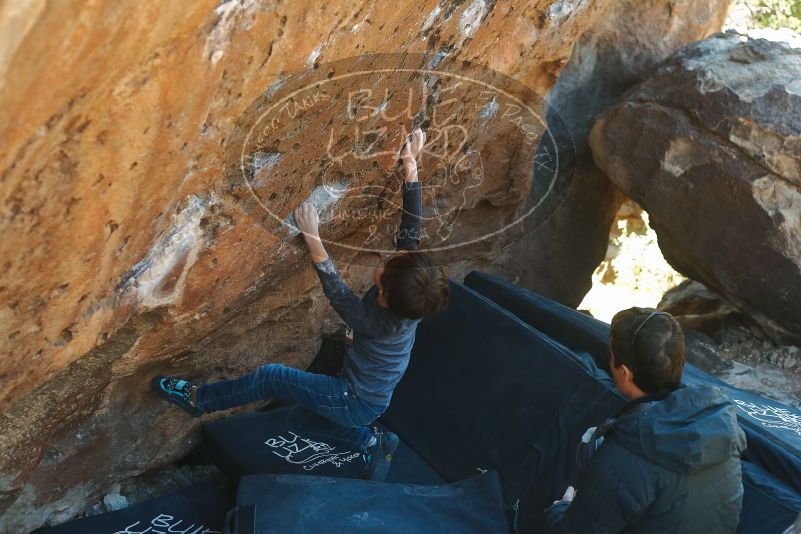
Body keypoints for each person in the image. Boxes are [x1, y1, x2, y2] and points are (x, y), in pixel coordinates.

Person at [152, 128, 449, 481]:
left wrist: (313, 236)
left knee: (272, 378)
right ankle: (369, 441)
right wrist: (411, 165)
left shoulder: (378, 323)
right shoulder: (408, 289)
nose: (382, 263)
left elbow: (338, 293)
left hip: (352, 398)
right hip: (370, 397)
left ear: (383, 299)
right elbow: (410, 229)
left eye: (381, 276)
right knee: (308, 417)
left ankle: (199, 400)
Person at [545, 307, 747, 533]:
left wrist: (560, 508)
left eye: (611, 357)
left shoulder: (624, 455)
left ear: (625, 372)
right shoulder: (721, 424)